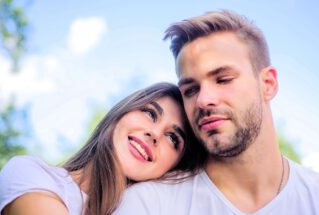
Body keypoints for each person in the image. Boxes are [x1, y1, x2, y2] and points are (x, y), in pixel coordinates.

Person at [114, 10, 319, 214]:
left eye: (223, 79)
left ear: (268, 84)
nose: (203, 100)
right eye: (191, 90)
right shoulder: (149, 204)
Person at [0, 82, 206, 215]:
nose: (155, 134)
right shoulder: (28, 174)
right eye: (150, 113)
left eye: (173, 137)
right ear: (120, 114)